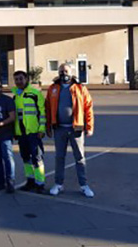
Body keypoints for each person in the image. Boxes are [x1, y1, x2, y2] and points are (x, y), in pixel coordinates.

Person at [46, 64, 95, 198]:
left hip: (76, 129)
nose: (63, 73)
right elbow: (48, 108)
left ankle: (84, 185)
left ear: (71, 72)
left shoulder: (80, 88)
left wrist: (89, 127)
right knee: (59, 158)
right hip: (59, 128)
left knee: (79, 158)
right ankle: (58, 184)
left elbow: (88, 108)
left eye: (66, 71)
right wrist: (48, 127)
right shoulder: (53, 88)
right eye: (61, 71)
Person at [11, 70, 47, 194]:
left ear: (26, 79)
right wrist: (15, 132)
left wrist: (42, 129)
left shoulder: (35, 93)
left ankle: (40, 183)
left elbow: (42, 113)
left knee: (37, 158)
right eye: (16, 80)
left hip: (34, 132)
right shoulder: (16, 95)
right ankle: (30, 181)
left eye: (21, 79)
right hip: (21, 133)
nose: (18, 82)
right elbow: (15, 116)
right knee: (25, 158)